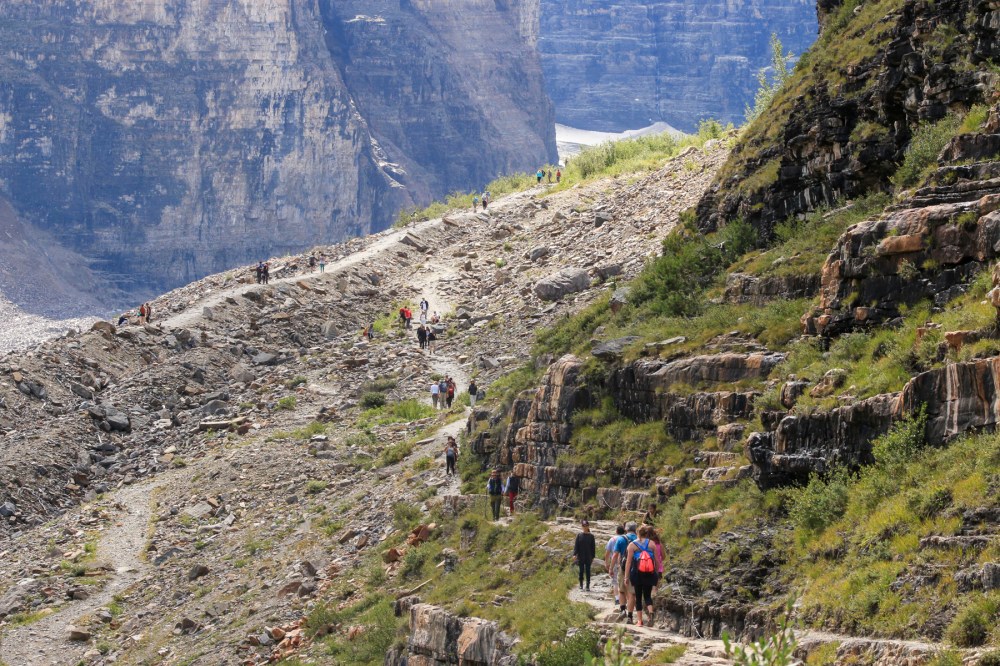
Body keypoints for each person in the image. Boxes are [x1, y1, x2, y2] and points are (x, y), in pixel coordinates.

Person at [624, 526, 661, 627]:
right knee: (647, 596)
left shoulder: (632, 545)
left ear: (637, 533)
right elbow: (657, 560)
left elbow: (628, 562)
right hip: (649, 572)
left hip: (637, 573)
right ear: (646, 534)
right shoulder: (652, 543)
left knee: (639, 597)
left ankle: (640, 621)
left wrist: (626, 577)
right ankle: (651, 613)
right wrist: (656, 573)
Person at [611, 522, 638, 622]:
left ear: (626, 529)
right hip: (636, 569)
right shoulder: (639, 539)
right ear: (635, 529)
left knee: (621, 589)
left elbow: (615, 555)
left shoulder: (621, 539)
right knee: (632, 593)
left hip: (623, 568)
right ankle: (630, 616)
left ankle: (623, 610)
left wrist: (611, 568)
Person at [573, 519, 597, 591]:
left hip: (588, 556)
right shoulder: (579, 535)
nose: (585, 527)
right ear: (582, 526)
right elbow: (576, 546)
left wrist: (593, 556)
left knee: (588, 570)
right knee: (581, 571)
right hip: (580, 556)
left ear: (588, 526)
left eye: (586, 525)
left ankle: (588, 585)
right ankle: (581, 584)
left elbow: (593, 547)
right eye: (583, 526)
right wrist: (574, 554)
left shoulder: (591, 536)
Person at [605, 525, 625, 608]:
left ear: (616, 531)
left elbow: (608, 552)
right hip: (624, 562)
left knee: (615, 581)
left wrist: (606, 562)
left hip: (615, 562)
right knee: (623, 580)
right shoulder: (625, 539)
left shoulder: (612, 539)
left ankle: (617, 599)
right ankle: (625, 599)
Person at [649, 528, 665, 593]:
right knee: (656, 587)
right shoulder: (659, 544)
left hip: (647, 567)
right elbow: (663, 556)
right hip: (658, 568)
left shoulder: (647, 544)